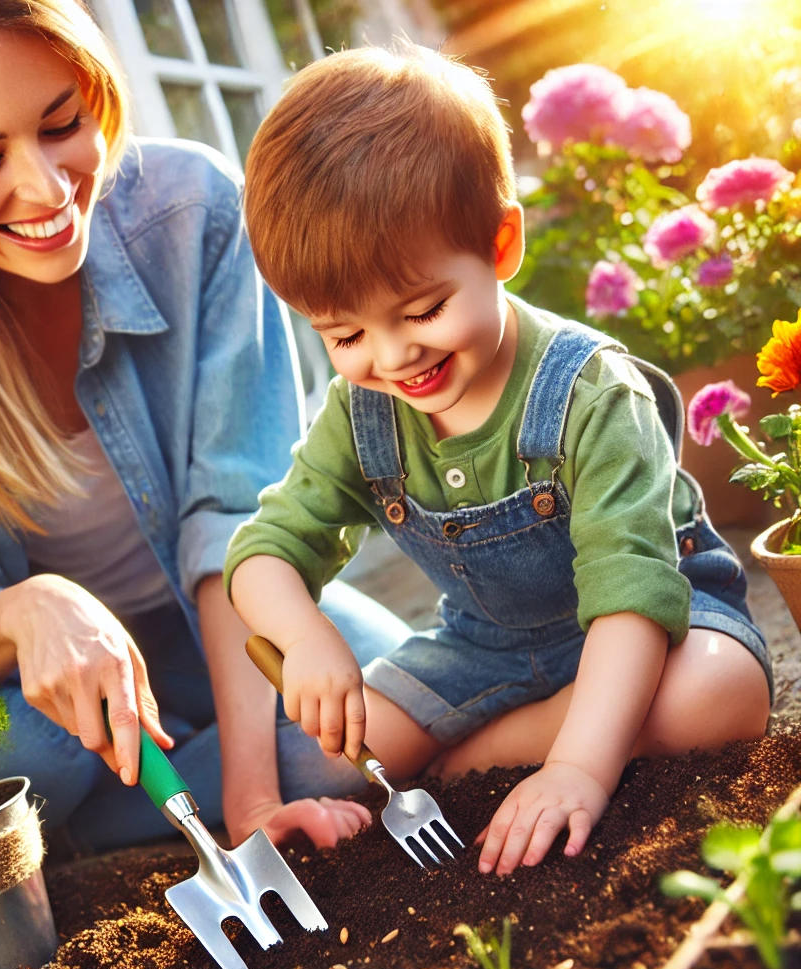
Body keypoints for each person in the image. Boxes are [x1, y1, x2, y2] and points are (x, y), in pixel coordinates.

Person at [0, 0, 411, 852]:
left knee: (381, 713)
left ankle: (167, 801)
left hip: (207, 624)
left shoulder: (193, 214)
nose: (47, 189)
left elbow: (236, 520)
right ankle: (170, 787)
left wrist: (258, 803)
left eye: (62, 123)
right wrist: (27, 611)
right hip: (14, 694)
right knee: (19, 757)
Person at [225, 43, 773, 877]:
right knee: (328, 755)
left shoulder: (592, 395)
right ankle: (536, 733)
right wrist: (303, 637)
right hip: (482, 649)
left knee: (719, 696)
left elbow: (632, 597)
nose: (394, 356)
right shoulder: (363, 409)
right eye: (344, 335)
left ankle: (497, 754)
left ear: (501, 244)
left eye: (425, 309)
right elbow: (261, 552)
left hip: (652, 630)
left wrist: (578, 770)